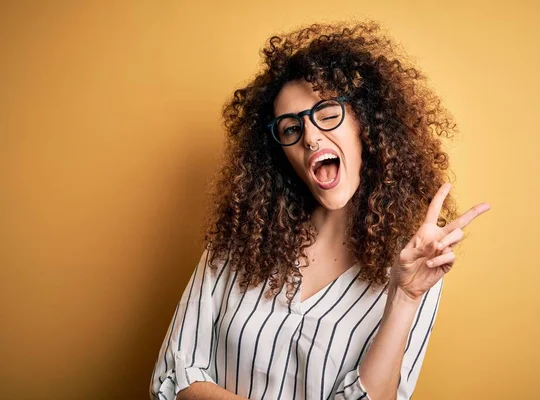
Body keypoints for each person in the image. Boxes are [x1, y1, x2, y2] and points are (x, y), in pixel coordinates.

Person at [149, 20, 491, 400]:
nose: (310, 136)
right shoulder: (240, 239)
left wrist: (405, 299)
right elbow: (172, 377)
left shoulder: (415, 265)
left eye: (327, 114)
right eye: (291, 128)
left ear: (367, 125)